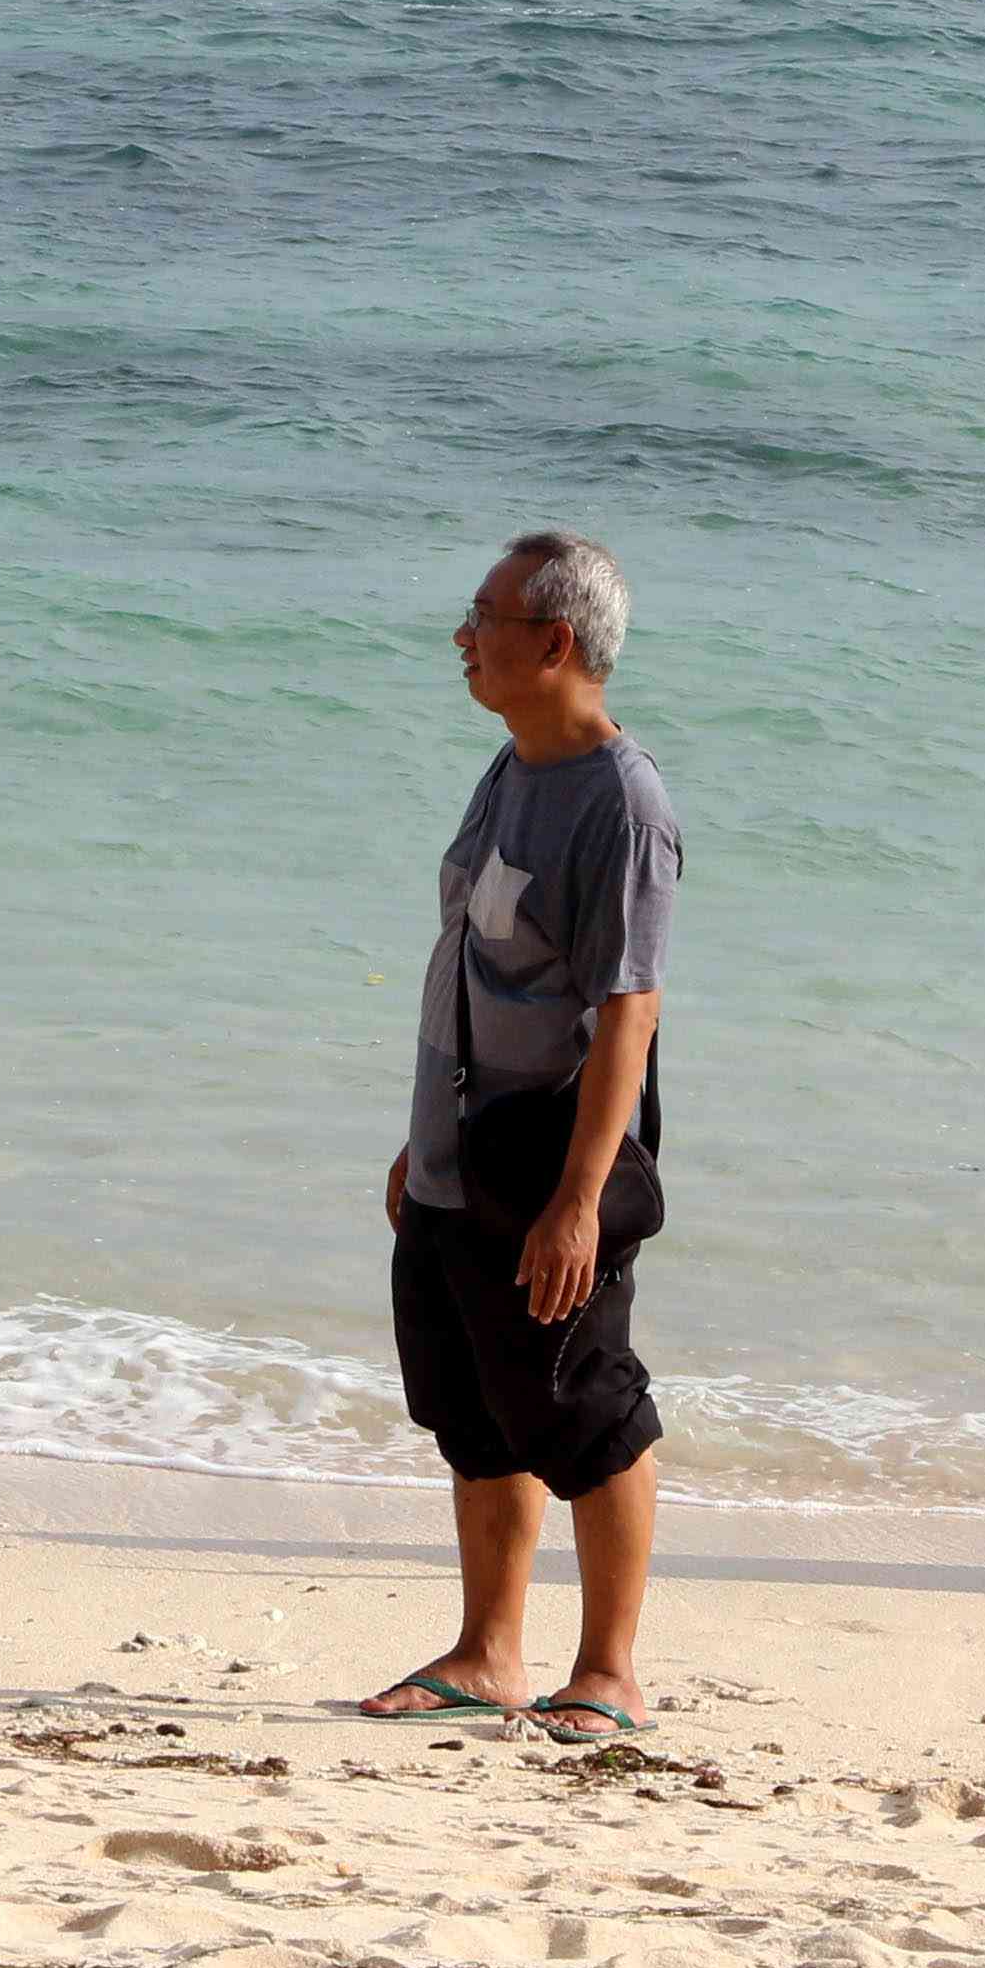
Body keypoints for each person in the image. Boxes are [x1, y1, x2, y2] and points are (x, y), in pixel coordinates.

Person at [359, 532, 679, 1739]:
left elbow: (627, 1012)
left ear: (552, 642)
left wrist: (580, 1199)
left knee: (586, 1408)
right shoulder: (510, 766)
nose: (461, 635)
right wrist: (420, 1138)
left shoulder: (623, 806)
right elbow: (477, 959)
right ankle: (489, 1652)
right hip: (455, 1146)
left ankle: (608, 1672)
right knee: (469, 1404)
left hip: (546, 1152)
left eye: (481, 615)